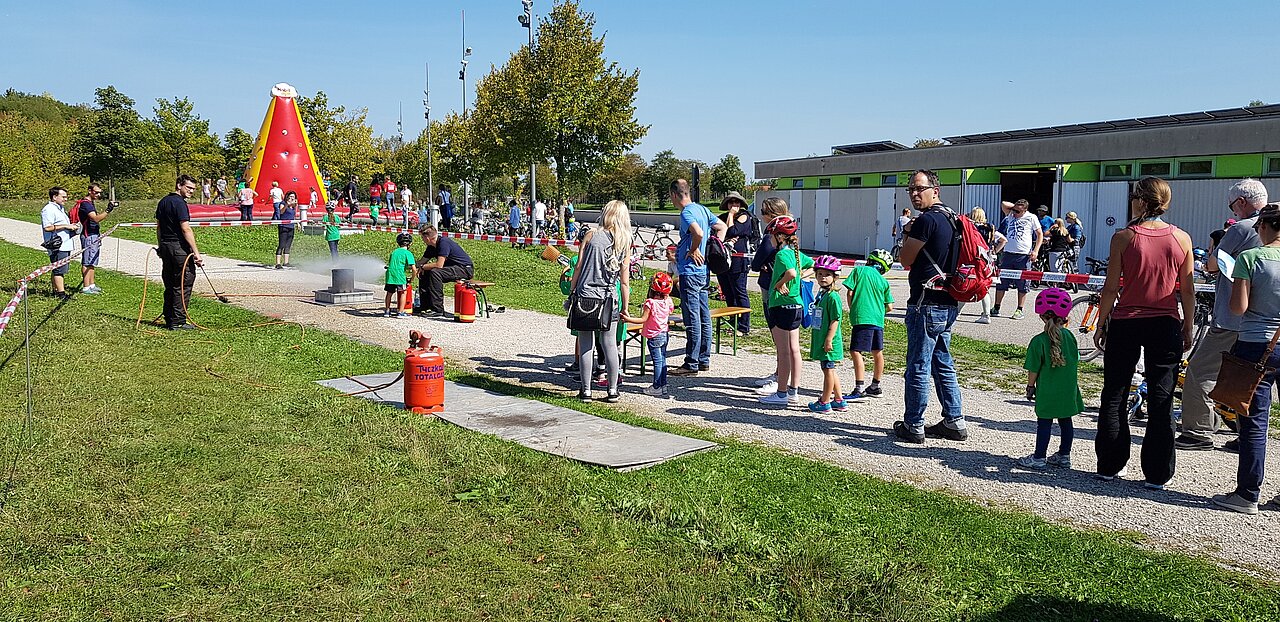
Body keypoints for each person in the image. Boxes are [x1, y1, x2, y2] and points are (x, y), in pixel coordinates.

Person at [1093, 176, 1194, 488]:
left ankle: (1109, 464)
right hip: (1165, 321)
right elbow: (1187, 290)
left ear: (1139, 200)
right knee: (1162, 398)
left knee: (1115, 392)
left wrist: (1101, 321)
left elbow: (1111, 287)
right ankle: (1157, 473)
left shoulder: (1123, 237)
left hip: (1127, 321)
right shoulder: (1182, 239)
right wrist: (1188, 324)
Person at [1180, 179, 1267, 450]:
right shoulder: (1272, 229)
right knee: (1247, 379)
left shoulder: (1242, 228)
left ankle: (1198, 431)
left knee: (1200, 372)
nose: (1233, 212)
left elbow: (1212, 264)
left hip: (1231, 319)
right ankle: (1247, 436)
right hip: (1262, 322)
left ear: (1241, 202)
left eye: (1232, 206)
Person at [1211, 204, 1280, 515]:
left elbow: (1238, 308)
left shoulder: (1250, 258)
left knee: (1254, 422)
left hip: (1255, 343)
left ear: (1263, 226)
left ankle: (1247, 494)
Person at [895, 169, 966, 443]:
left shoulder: (926, 221)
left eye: (919, 188)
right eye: (911, 189)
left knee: (918, 365)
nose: (914, 194)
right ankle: (954, 420)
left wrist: (907, 232)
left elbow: (905, 259)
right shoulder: (952, 218)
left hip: (925, 304)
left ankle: (913, 424)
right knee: (942, 361)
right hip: (948, 301)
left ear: (935, 190)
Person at [570, 200, 632, 403]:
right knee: (610, 345)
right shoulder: (624, 242)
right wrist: (625, 307)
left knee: (586, 344)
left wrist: (572, 291)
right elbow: (624, 281)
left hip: (585, 296)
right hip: (609, 299)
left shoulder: (591, 235)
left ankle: (586, 390)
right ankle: (612, 390)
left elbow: (578, 266)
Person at [1016, 287, 1083, 469]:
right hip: (1067, 388)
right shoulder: (1070, 336)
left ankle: (1039, 457)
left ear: (1041, 316)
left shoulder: (1038, 341)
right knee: (1066, 421)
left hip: (1047, 389)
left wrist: (1030, 386)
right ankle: (1064, 455)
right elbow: (1075, 359)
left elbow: (1033, 369)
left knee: (1044, 423)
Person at [670, 179, 727, 376]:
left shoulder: (686, 213)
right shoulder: (702, 209)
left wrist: (694, 248)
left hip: (690, 272)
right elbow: (722, 226)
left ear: (674, 195)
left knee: (692, 317)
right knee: (704, 316)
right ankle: (704, 359)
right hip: (703, 272)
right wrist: (714, 248)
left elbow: (699, 233)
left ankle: (691, 363)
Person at [759, 215, 811, 406]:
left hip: (781, 305)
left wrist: (780, 283)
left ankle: (781, 393)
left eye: (772, 236)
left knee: (783, 352)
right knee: (794, 350)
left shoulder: (781, 255)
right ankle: (793, 391)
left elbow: (791, 273)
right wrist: (799, 279)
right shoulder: (796, 253)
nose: (770, 240)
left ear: (780, 236)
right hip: (796, 305)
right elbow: (812, 265)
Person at [750, 197, 792, 394]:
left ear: (772, 214)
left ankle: (780, 378)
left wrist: (762, 263)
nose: (761, 216)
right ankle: (778, 373)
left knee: (778, 335)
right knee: (785, 337)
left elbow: (756, 263)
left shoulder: (771, 236)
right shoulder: (790, 233)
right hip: (785, 287)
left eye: (763, 212)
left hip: (771, 285)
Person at [843, 249, 894, 399]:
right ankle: (875, 386)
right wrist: (877, 312)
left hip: (862, 317)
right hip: (878, 320)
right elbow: (890, 307)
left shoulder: (859, 271)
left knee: (856, 351)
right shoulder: (883, 281)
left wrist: (853, 308)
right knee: (877, 352)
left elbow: (850, 293)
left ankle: (859, 388)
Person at [155, 175, 203, 330]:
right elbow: (185, 229)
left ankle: (169, 317)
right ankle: (178, 321)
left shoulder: (163, 201)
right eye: (188, 188)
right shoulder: (180, 203)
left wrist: (161, 246)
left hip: (166, 246)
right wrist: (196, 253)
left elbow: (159, 227)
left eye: (193, 189)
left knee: (170, 283)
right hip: (178, 248)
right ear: (179, 185)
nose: (191, 191)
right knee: (183, 283)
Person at [623, 272, 675, 399]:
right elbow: (670, 310)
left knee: (657, 362)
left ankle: (656, 387)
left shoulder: (650, 303)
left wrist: (627, 319)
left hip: (654, 336)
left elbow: (643, 319)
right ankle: (663, 385)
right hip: (664, 334)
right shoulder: (668, 301)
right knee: (662, 360)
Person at [807, 255, 847, 413]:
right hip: (822, 338)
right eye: (820, 274)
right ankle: (839, 400)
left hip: (828, 341)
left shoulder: (832, 297)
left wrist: (829, 339)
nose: (823, 277)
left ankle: (824, 401)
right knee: (829, 369)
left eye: (827, 274)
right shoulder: (822, 294)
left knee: (828, 370)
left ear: (835, 277)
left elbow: (835, 320)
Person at [992, 199, 1043, 319]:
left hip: (1023, 255)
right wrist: (1014, 208)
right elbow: (1004, 204)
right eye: (1014, 210)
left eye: (1018, 211)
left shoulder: (1031, 217)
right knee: (1002, 282)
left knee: (1023, 283)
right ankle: (996, 307)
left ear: (1025, 210)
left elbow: (1039, 234)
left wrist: (1036, 251)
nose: (1015, 213)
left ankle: (1019, 309)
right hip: (1008, 253)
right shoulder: (1011, 215)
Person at [415, 225, 474, 318]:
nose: (422, 240)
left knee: (435, 273)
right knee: (425, 273)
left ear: (427, 238)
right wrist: (408, 265)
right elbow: (421, 262)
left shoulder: (443, 243)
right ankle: (425, 306)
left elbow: (439, 265)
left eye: (422, 237)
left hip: (464, 269)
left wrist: (423, 267)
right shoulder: (431, 247)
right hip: (452, 268)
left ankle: (437, 309)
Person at [717, 191, 754, 335]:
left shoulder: (745, 216)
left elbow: (732, 231)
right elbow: (715, 233)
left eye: (736, 202)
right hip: (724, 261)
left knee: (739, 292)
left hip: (739, 262)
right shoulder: (722, 217)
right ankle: (733, 321)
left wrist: (732, 215)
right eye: (731, 202)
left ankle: (744, 326)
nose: (734, 205)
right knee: (728, 292)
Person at [969, 207, 1006, 324]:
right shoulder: (990, 228)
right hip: (987, 260)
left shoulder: (970, 227)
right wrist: (995, 251)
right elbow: (1003, 240)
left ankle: (957, 313)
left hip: (972, 259)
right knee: (984, 287)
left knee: (966, 284)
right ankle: (986, 314)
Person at [40, 186, 77, 300]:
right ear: (54, 197)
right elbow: (47, 227)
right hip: (57, 245)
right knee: (59, 270)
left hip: (65, 243)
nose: (66, 199)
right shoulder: (48, 209)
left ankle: (55, 290)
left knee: (58, 268)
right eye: (63, 197)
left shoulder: (60, 208)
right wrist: (66, 226)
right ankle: (61, 294)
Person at [77, 184, 114, 295]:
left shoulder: (90, 203)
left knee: (92, 260)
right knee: (87, 261)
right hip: (88, 235)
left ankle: (91, 284)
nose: (98, 195)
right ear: (90, 191)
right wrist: (108, 210)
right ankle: (86, 287)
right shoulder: (86, 204)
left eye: (99, 193)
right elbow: (96, 219)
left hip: (94, 234)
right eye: (96, 192)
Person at [384, 233, 415, 318]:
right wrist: (411, 279)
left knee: (389, 293)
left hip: (390, 275)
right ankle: (400, 312)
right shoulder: (408, 253)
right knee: (403, 292)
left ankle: (387, 311)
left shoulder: (394, 252)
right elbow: (414, 269)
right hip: (400, 276)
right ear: (410, 244)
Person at [273, 191, 298, 269]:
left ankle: (286, 262)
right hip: (283, 226)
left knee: (288, 245)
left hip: (291, 226)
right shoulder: (282, 203)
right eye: (290, 196)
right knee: (282, 244)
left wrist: (297, 223)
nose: (292, 198)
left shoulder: (294, 206)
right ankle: (278, 263)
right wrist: (287, 204)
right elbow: (281, 212)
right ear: (287, 197)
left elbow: (294, 215)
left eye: (293, 197)